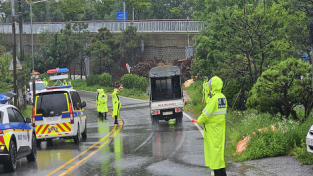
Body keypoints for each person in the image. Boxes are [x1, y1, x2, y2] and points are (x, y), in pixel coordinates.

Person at [197, 76, 227, 176]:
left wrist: (199, 121)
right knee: (219, 155)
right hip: (220, 129)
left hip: (213, 130)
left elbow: (205, 114)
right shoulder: (222, 97)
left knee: (215, 156)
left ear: (213, 86)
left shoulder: (214, 99)